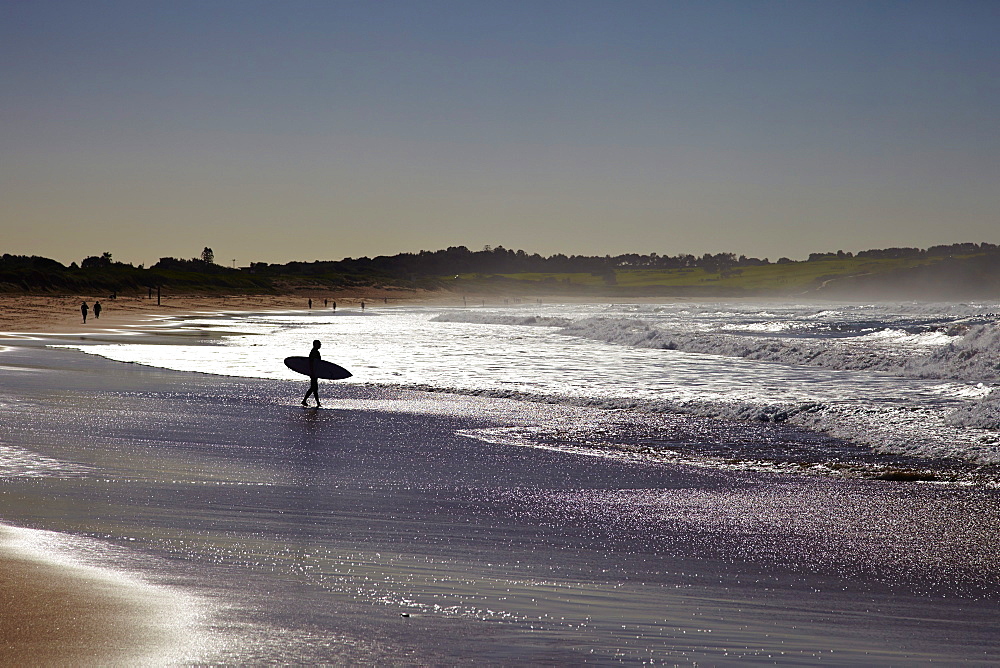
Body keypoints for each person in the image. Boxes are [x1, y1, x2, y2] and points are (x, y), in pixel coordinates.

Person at [301, 339, 322, 408]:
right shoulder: (314, 352)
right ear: (315, 345)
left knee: (314, 388)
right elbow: (311, 363)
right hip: (313, 372)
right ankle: (305, 401)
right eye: (319, 344)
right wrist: (312, 372)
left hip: (314, 372)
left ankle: (317, 403)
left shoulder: (315, 352)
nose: (320, 345)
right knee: (313, 388)